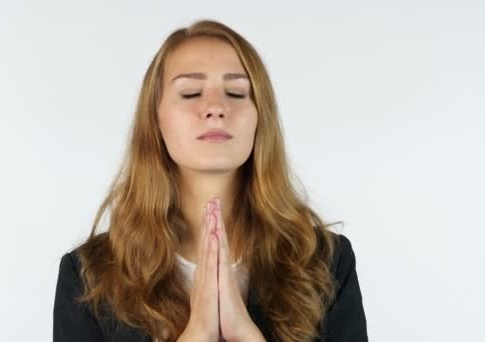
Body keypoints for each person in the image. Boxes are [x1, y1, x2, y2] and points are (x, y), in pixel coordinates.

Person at [53, 19, 368, 342]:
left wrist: (246, 335)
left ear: (261, 118)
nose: (216, 107)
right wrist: (197, 334)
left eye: (236, 92)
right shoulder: (89, 276)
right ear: (155, 119)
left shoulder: (327, 263)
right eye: (190, 93)